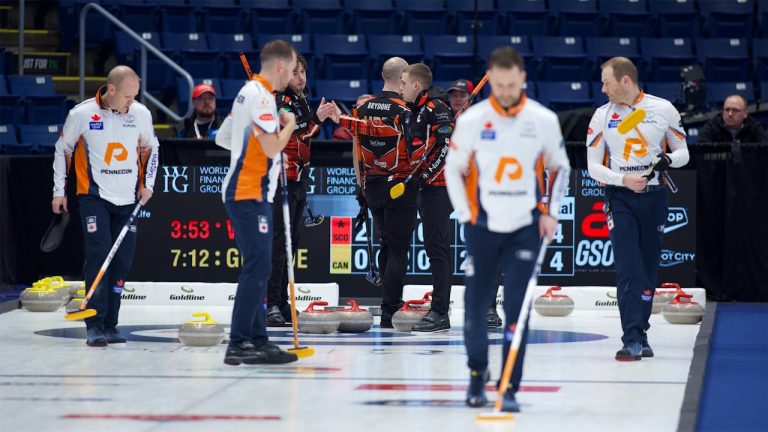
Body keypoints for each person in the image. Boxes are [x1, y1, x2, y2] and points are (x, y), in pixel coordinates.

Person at [445, 47, 571, 412]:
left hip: (525, 227)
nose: (503, 91)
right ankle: (475, 376)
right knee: (474, 307)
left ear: (522, 80)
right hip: (482, 225)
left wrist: (552, 212)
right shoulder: (473, 119)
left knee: (517, 309)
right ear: (491, 80)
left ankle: (509, 386)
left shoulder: (543, 119)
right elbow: (454, 168)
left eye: (510, 84)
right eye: (497, 84)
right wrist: (464, 211)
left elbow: (560, 167)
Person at [586, 57, 690, 361]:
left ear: (625, 81)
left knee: (647, 269)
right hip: (620, 197)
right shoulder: (601, 115)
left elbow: (683, 151)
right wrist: (623, 180)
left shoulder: (663, 108)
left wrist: (668, 160)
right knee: (628, 266)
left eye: (607, 82)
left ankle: (641, 331)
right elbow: (593, 167)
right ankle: (630, 337)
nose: (603, 88)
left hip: (655, 195)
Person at [51, 65, 159, 347]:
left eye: (135, 97)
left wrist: (148, 183)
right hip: (94, 197)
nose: (131, 103)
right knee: (99, 255)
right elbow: (62, 149)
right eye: (127, 97)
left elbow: (152, 149)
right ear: (111, 90)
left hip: (129, 200)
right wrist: (59, 191)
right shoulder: (82, 114)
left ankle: (111, 324)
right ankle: (95, 324)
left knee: (122, 263)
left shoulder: (140, 114)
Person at [216, 40, 299, 365]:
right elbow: (270, 148)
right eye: (291, 70)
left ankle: (257, 340)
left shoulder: (251, 93)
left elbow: (237, 141)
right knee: (258, 266)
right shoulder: (261, 96)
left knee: (259, 266)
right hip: (247, 191)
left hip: (252, 190)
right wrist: (289, 126)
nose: (292, 76)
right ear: (280, 66)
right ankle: (239, 342)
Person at [328, 57, 414, 328]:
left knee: (385, 243)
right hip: (399, 185)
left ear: (381, 74)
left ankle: (387, 303)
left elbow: (356, 150)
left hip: (371, 185)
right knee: (398, 250)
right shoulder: (406, 109)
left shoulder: (362, 108)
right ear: (403, 79)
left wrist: (360, 185)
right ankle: (390, 310)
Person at [266, 54, 334, 326]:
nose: (301, 77)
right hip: (279, 180)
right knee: (278, 244)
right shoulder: (279, 98)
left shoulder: (301, 99)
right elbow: (290, 126)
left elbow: (304, 132)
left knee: (291, 244)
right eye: (295, 73)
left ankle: (282, 302)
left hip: (298, 178)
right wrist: (315, 118)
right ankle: (271, 302)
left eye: (304, 72)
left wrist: (314, 119)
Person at [397, 63, 455, 332]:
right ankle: (439, 310)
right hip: (424, 186)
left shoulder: (436, 108)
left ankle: (440, 312)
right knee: (433, 247)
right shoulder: (413, 111)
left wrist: (426, 175)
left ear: (417, 85)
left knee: (437, 248)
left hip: (440, 187)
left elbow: (446, 147)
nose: (400, 87)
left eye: (404, 83)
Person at [698, 95, 768, 144]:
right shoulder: (712, 127)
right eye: (727, 110)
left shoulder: (754, 127)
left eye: (735, 110)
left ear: (745, 114)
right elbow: (702, 153)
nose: (730, 114)